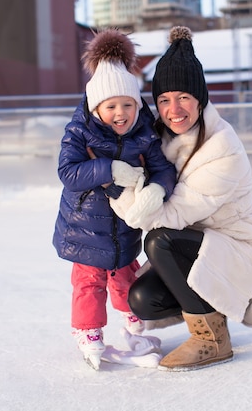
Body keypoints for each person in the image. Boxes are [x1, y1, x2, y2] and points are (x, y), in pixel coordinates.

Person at [110, 26, 252, 371]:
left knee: (159, 240)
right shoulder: (159, 138)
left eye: (184, 97)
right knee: (143, 299)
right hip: (195, 246)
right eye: (164, 100)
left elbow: (172, 215)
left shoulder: (222, 147)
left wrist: (122, 193)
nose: (175, 109)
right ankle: (208, 309)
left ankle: (211, 338)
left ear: (200, 99)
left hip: (241, 247)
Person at [52, 29, 176, 370]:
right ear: (96, 108)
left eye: (127, 104)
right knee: (89, 279)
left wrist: (157, 189)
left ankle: (132, 321)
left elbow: (163, 168)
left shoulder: (144, 133)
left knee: (125, 274)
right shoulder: (79, 132)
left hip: (124, 225)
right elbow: (69, 173)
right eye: (111, 106)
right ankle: (88, 331)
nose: (120, 113)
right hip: (84, 228)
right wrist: (109, 169)